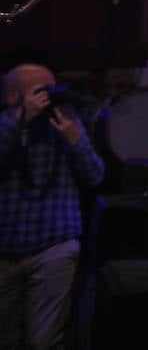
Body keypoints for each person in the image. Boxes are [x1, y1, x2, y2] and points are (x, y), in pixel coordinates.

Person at [0, 65, 104, 349]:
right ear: (13, 96)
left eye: (52, 89)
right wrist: (20, 124)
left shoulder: (66, 122)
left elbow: (95, 176)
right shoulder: (3, 125)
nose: (50, 96)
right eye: (40, 91)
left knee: (43, 342)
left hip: (55, 244)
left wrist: (75, 140)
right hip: (5, 249)